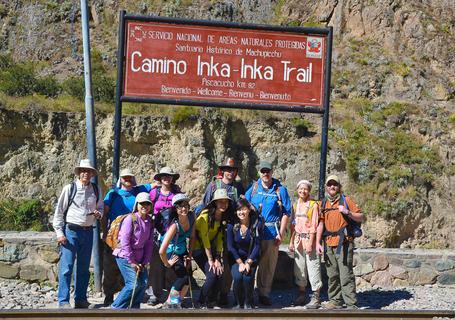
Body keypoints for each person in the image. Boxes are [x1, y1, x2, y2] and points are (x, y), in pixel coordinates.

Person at [53, 159, 103, 309]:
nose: (85, 174)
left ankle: (80, 299)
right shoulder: (70, 188)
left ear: (92, 174)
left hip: (88, 232)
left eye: (88, 171)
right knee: (67, 268)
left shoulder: (96, 189)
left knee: (83, 269)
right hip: (71, 232)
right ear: (79, 173)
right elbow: (59, 212)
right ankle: (63, 301)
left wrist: (98, 213)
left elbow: (100, 208)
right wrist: (59, 233)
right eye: (83, 171)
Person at [101, 168, 151, 306]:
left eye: (130, 177)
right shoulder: (113, 193)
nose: (127, 179)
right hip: (115, 237)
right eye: (125, 177)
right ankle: (110, 297)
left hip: (135, 237)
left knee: (129, 273)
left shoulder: (139, 191)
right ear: (120, 179)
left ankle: (127, 300)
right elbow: (105, 214)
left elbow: (156, 184)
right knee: (111, 269)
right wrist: (104, 232)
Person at [245, 160, 291, 306]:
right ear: (259, 172)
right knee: (251, 262)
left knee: (268, 264)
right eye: (263, 171)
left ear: (272, 172)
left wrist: (282, 233)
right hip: (254, 232)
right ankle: (248, 293)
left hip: (272, 232)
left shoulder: (280, 189)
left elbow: (286, 212)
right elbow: (244, 207)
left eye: (268, 171)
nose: (265, 174)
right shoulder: (253, 188)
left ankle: (263, 293)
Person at [201, 157, 244, 306]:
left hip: (230, 228)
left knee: (226, 259)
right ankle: (213, 293)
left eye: (232, 170)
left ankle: (224, 293)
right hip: (214, 227)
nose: (230, 172)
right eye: (227, 169)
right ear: (222, 171)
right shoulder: (213, 185)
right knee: (215, 260)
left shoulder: (238, 188)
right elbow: (205, 204)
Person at [321, 175, 364, 309]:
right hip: (328, 242)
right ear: (326, 187)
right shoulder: (323, 203)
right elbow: (320, 223)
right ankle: (335, 301)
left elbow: (361, 216)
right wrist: (317, 242)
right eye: (329, 185)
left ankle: (351, 303)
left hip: (344, 242)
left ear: (339, 187)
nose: (332, 187)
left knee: (345, 274)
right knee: (332, 274)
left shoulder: (346, 201)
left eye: (335, 184)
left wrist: (348, 212)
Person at [111, 192, 154, 309]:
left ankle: (134, 309)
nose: (144, 206)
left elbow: (149, 243)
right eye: (142, 204)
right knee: (133, 284)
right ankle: (116, 308)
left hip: (140, 257)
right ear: (137, 205)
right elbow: (125, 242)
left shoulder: (150, 221)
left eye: (147, 203)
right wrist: (132, 261)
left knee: (143, 284)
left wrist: (145, 261)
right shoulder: (130, 219)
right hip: (124, 255)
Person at [191, 188, 232, 308]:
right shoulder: (204, 217)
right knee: (212, 274)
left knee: (219, 273)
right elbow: (204, 239)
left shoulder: (222, 217)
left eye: (226, 202)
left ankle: (211, 301)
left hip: (210, 250)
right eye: (220, 201)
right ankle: (201, 301)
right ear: (215, 203)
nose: (223, 204)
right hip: (198, 249)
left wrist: (218, 258)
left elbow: (220, 238)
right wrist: (211, 260)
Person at [146, 166, 181, 304]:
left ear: (172, 178)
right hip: (157, 233)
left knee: (172, 263)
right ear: (160, 178)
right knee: (155, 264)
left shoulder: (176, 193)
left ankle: (172, 294)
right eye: (164, 176)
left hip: (173, 233)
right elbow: (147, 208)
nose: (166, 178)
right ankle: (155, 294)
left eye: (169, 176)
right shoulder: (154, 193)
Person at [288, 180, 323, 308]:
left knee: (313, 266)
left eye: (305, 189)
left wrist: (310, 243)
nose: (303, 191)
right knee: (299, 268)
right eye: (300, 189)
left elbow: (314, 225)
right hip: (298, 240)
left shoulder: (313, 205)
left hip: (309, 239)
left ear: (309, 190)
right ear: (297, 190)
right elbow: (293, 225)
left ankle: (316, 297)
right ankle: (301, 294)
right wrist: (291, 241)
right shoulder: (295, 205)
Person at [159, 193, 195, 308]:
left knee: (188, 275)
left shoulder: (191, 216)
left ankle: (177, 301)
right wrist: (167, 263)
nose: (184, 208)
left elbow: (193, 237)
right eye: (180, 206)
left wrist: (189, 256)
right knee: (182, 276)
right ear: (176, 208)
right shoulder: (174, 226)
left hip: (182, 249)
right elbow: (161, 250)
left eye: (186, 205)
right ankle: (171, 302)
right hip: (171, 251)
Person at [226, 198, 262, 309]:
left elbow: (257, 245)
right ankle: (238, 302)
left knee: (247, 277)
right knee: (237, 277)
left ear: (249, 210)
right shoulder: (232, 225)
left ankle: (248, 301)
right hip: (236, 259)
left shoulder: (255, 224)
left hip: (251, 257)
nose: (241, 212)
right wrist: (240, 263)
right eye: (239, 210)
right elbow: (230, 247)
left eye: (244, 209)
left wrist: (249, 262)